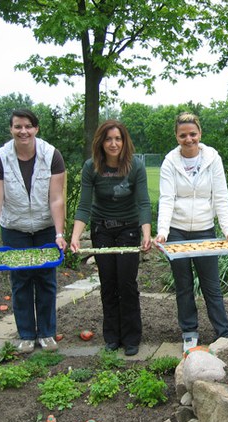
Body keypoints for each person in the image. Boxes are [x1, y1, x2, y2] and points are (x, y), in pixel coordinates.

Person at [0, 109, 67, 353]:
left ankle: (47, 333)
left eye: (28, 126)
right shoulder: (0, 159)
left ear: (36, 129)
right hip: (15, 227)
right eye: (18, 127)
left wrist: (59, 234)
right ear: (11, 129)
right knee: (20, 281)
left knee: (46, 280)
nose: (23, 131)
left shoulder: (51, 155)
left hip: (44, 227)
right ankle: (26, 335)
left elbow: (56, 199)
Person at [155, 112, 228, 352]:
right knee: (183, 285)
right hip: (177, 232)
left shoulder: (213, 159)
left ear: (200, 134)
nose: (188, 139)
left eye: (193, 134)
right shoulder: (170, 162)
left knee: (212, 286)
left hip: (205, 231)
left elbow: (221, 196)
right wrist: (162, 232)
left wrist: (227, 230)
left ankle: (223, 334)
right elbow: (167, 198)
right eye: (183, 135)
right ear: (176, 136)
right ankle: (189, 332)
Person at [70, 120, 152, 356]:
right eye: (108, 139)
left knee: (127, 283)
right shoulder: (91, 167)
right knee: (108, 284)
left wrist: (146, 233)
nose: (113, 143)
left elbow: (143, 203)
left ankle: (132, 337)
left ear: (124, 141)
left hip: (128, 229)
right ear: (101, 142)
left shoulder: (135, 166)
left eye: (118, 139)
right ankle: (112, 337)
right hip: (102, 230)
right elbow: (84, 206)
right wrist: (76, 237)